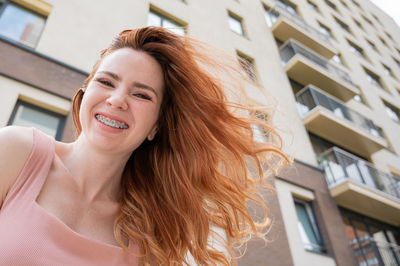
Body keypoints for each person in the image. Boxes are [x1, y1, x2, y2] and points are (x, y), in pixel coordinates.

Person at [0, 27, 289, 265]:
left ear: (156, 126)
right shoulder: (16, 152)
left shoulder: (147, 238)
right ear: (86, 90)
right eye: (106, 81)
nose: (117, 100)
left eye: (141, 95)